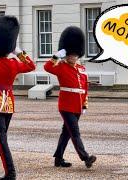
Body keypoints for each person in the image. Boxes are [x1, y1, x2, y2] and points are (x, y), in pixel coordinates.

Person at [0, 16, 36, 179]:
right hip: (9, 105)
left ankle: (10, 173)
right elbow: (31, 65)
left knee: (1, 140)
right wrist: (18, 52)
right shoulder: (13, 63)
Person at [44, 26, 96, 168]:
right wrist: (56, 55)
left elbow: (84, 88)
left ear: (78, 54)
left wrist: (84, 104)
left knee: (66, 133)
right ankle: (85, 157)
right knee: (74, 132)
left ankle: (58, 158)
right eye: (70, 54)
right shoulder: (61, 66)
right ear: (66, 54)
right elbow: (47, 67)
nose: (72, 57)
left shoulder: (81, 69)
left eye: (74, 55)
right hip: (66, 105)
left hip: (77, 106)